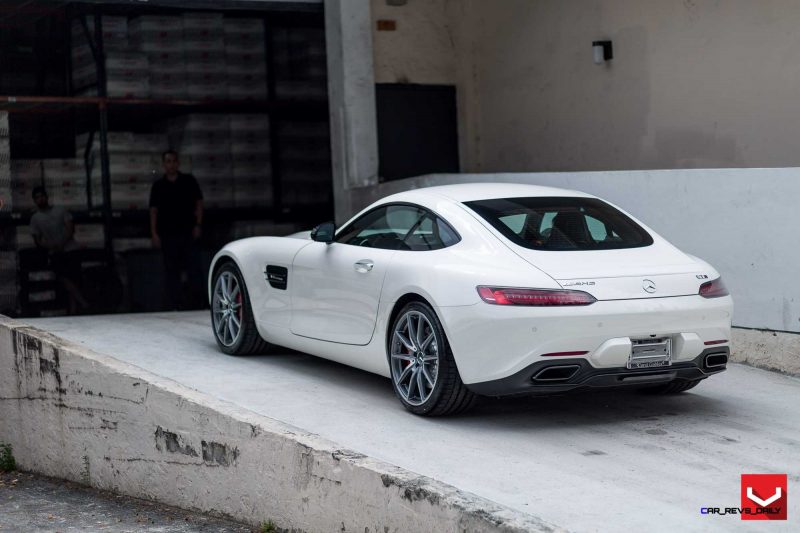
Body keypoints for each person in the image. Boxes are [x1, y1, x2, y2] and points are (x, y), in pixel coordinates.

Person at [149, 150, 204, 310]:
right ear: (163, 164)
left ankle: (197, 303)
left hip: (187, 232)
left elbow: (199, 204)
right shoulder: (158, 186)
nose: (171, 164)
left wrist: (198, 225)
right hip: (168, 234)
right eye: (167, 161)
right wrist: (154, 233)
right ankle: (175, 304)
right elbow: (153, 210)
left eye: (173, 161)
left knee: (194, 269)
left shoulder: (188, 181)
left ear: (178, 163)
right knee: (171, 271)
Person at [30, 186, 89, 314]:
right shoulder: (35, 218)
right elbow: (37, 239)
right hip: (54, 252)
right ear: (34, 201)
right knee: (62, 278)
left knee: (74, 278)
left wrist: (62, 243)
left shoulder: (60, 211)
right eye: (37, 198)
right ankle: (83, 303)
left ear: (47, 197)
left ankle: (74, 309)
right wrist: (51, 246)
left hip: (70, 249)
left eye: (42, 196)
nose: (40, 199)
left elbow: (70, 228)